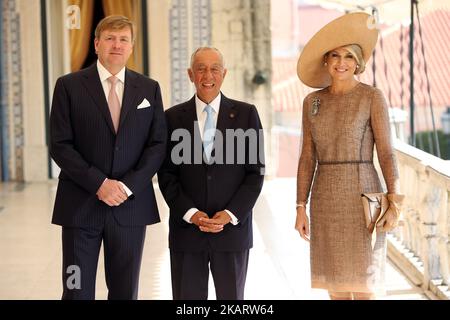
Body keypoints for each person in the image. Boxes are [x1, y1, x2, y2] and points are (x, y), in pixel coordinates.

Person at [49, 15, 166, 300]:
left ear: (132, 46)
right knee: (75, 288)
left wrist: (125, 187)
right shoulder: (69, 85)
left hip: (130, 208)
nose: (117, 45)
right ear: (97, 43)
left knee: (125, 292)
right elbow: (60, 144)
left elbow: (158, 144)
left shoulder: (149, 88)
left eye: (124, 39)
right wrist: (100, 183)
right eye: (111, 39)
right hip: (80, 207)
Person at [295, 12, 403, 300]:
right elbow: (307, 157)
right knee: (335, 283)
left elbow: (387, 152)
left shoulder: (372, 97)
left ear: (358, 62)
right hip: (325, 197)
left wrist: (395, 200)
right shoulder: (312, 102)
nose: (341, 62)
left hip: (364, 197)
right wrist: (300, 206)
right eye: (335, 55)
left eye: (348, 56)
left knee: (365, 283)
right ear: (326, 61)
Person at [157, 47, 265, 300]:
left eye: (214, 68)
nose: (208, 75)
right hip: (187, 232)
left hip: (232, 233)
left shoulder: (247, 115)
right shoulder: (172, 118)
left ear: (224, 73)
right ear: (190, 74)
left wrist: (230, 215)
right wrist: (191, 214)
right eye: (201, 68)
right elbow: (166, 174)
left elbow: (255, 173)